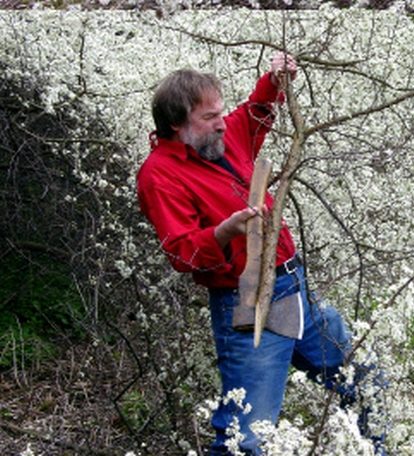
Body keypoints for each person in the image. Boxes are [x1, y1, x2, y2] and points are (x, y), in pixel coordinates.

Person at [137, 53, 385, 455]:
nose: (220, 122)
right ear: (176, 124)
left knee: (364, 378)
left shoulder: (220, 139)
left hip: (295, 289)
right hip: (250, 302)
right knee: (246, 437)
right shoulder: (159, 175)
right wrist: (223, 232)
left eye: (220, 112)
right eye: (208, 117)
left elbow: (254, 113)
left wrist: (275, 79)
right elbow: (181, 253)